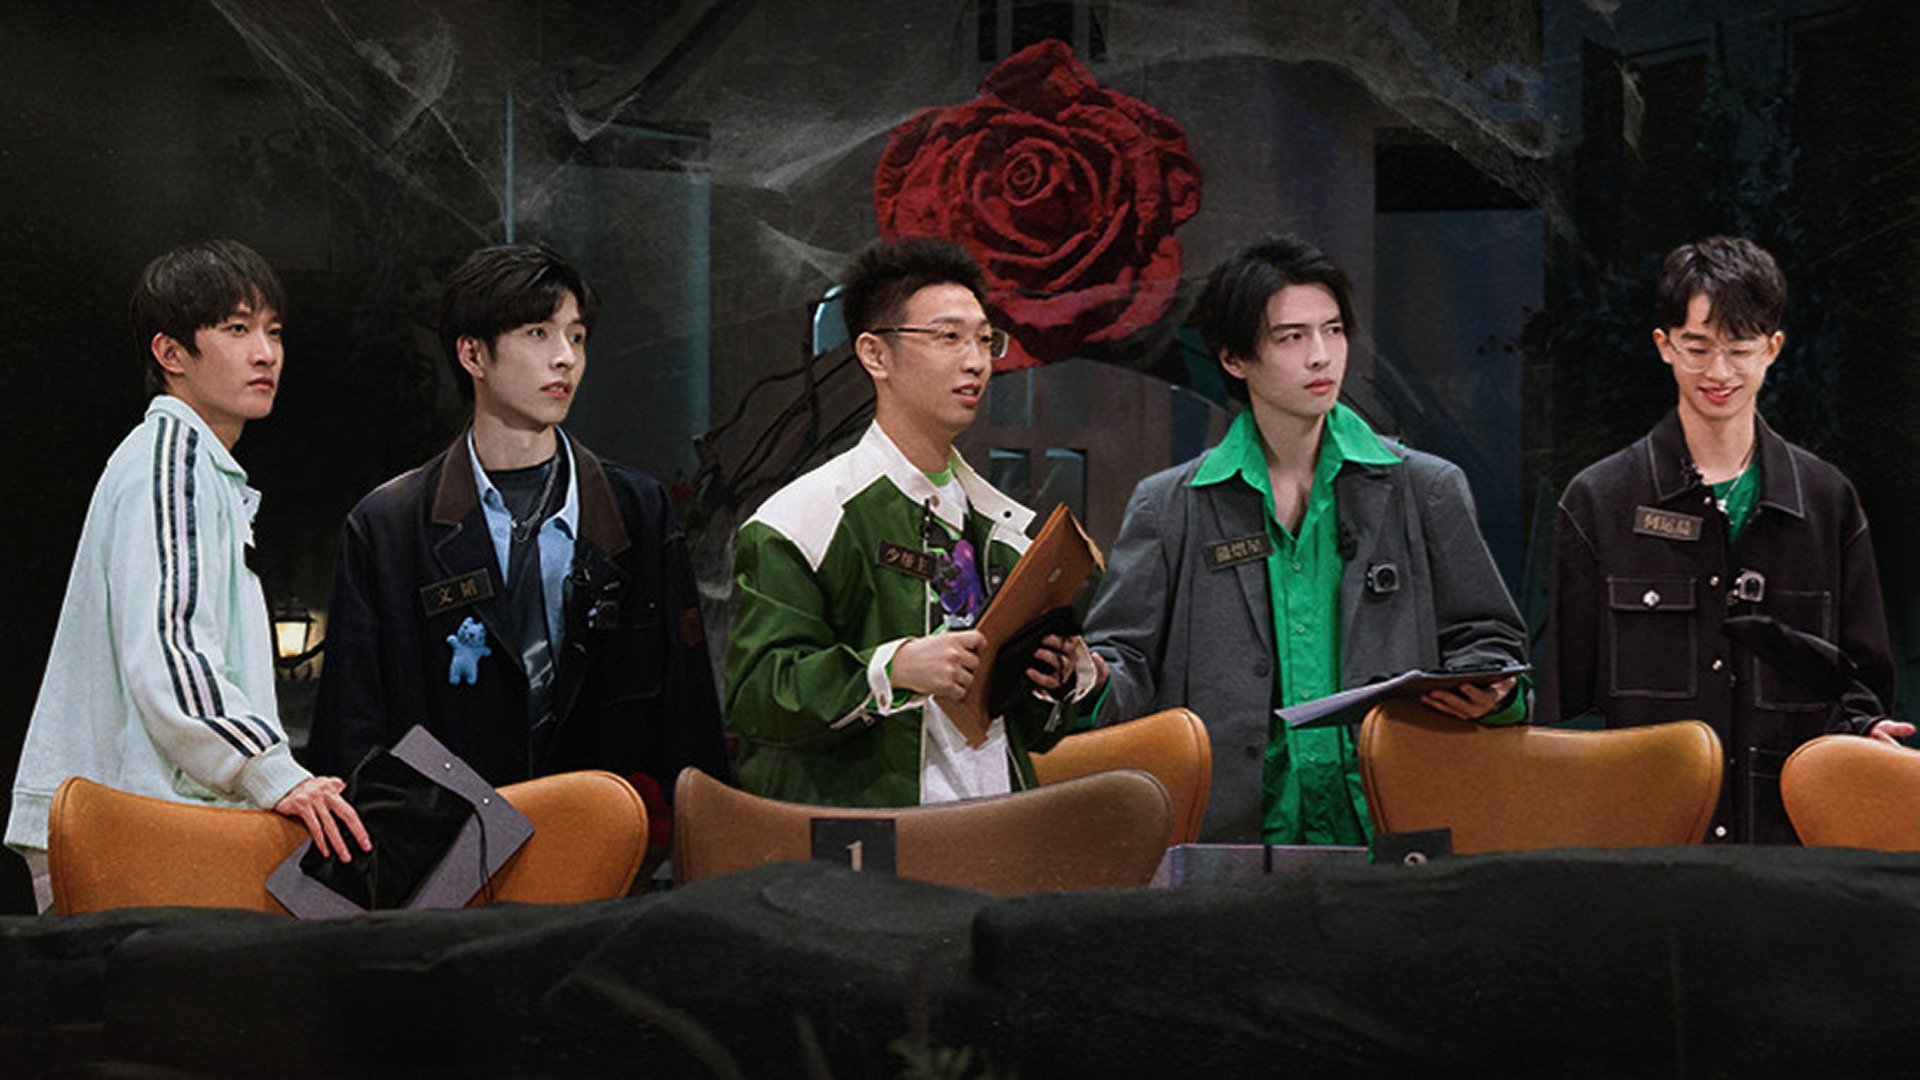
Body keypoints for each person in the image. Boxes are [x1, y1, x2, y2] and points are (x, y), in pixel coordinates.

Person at [1083, 234, 1527, 844]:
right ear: (1234, 359)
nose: (1321, 357)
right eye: (1292, 337)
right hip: (1228, 836)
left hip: (1393, 824)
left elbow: (1492, 641)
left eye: (1333, 330)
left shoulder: (1425, 489)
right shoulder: (1170, 506)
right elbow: (1124, 665)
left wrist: (1491, 687)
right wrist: (1086, 677)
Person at [308, 243, 727, 829]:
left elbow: (688, 716)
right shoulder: (389, 526)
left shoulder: (637, 510)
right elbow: (351, 733)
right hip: (446, 851)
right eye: (538, 334)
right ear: (473, 354)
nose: (565, 358)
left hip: (605, 844)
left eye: (576, 336)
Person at [6, 240, 369, 912]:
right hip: (135, 828)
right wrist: (274, 772)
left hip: (141, 823)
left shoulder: (190, 463)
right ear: (171, 353)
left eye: (273, 332)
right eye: (236, 329)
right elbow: (171, 653)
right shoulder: (172, 461)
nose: (265, 353)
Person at [1542, 235, 1907, 844]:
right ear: (1664, 345)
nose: (1719, 372)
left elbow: (1860, 686)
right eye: (1697, 347)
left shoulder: (1827, 502)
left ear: (1773, 349)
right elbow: (1563, 705)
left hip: (1791, 844)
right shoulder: (1599, 502)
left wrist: (1865, 733)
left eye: (1740, 349)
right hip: (1647, 846)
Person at [725, 237, 1100, 807]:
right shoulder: (805, 519)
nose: (975, 361)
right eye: (948, 337)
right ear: (875, 354)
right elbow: (756, 695)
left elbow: (1031, 733)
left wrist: (1057, 680)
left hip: (996, 813)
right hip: (872, 833)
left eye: (984, 340)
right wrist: (892, 669)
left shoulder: (1000, 526)